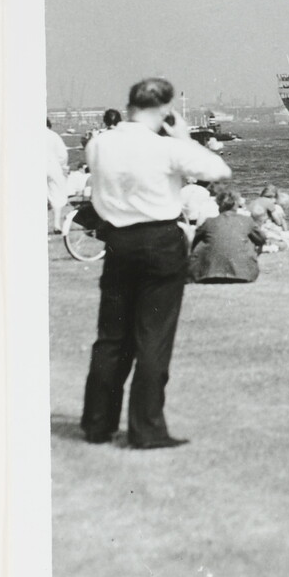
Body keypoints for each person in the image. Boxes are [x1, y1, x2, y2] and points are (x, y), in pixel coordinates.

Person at [78, 77, 232, 449]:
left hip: (118, 239)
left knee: (112, 336)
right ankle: (146, 428)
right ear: (165, 110)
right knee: (153, 337)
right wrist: (181, 137)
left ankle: (97, 423)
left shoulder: (99, 143)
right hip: (160, 240)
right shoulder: (165, 148)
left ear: (130, 104)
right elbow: (218, 170)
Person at [189, 186, 266, 284]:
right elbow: (262, 239)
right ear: (236, 204)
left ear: (218, 204)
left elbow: (193, 242)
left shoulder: (209, 222)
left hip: (208, 274)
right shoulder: (246, 220)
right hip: (244, 274)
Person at [43, 119, 71, 219]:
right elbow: (62, 155)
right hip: (52, 166)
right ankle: (56, 223)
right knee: (56, 193)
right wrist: (62, 167)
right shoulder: (53, 135)